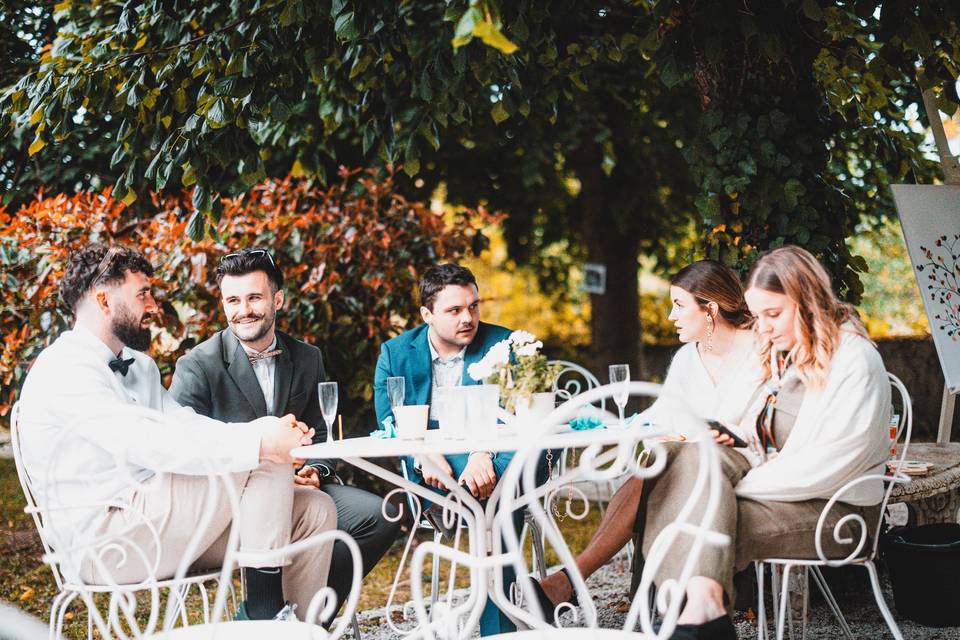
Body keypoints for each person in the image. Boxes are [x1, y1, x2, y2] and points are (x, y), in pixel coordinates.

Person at [17, 243, 338, 621]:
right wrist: (262, 439)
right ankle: (264, 617)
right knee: (263, 455)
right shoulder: (66, 369)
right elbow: (150, 443)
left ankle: (297, 628)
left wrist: (261, 431)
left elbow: (184, 423)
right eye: (142, 294)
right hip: (106, 540)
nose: (152, 306)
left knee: (314, 510)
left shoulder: (139, 365)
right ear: (104, 300)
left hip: (157, 524)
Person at [638, 246, 890, 640]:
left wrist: (726, 488)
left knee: (688, 514)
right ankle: (705, 607)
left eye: (774, 315)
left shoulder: (854, 360)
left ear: (808, 302)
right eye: (759, 317)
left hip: (837, 509)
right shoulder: (781, 354)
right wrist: (733, 438)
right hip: (778, 490)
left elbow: (832, 463)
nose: (764, 328)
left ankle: (693, 612)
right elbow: (740, 421)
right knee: (695, 456)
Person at [523, 260, 763, 622]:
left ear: (710, 309)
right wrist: (600, 424)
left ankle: (569, 580)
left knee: (657, 466)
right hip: (690, 466)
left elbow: (758, 421)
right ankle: (572, 580)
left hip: (745, 466)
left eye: (679, 305)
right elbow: (662, 416)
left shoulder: (759, 350)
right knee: (654, 466)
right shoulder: (687, 358)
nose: (671, 316)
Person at [169, 248, 400, 618]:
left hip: (301, 488)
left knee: (380, 515)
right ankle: (264, 613)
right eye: (233, 299)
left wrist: (316, 471)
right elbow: (181, 444)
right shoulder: (198, 364)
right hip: (237, 498)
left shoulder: (308, 357)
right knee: (298, 514)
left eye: (254, 297)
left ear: (277, 299)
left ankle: (306, 615)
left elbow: (322, 433)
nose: (243, 309)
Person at [373, 262, 525, 636]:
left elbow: (520, 417)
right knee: (496, 502)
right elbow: (388, 424)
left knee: (504, 491)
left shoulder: (505, 344)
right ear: (427, 314)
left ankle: (496, 629)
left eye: (473, 306)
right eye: (454, 310)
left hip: (494, 466)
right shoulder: (395, 353)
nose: (468, 317)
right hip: (431, 475)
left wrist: (482, 453)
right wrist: (424, 454)